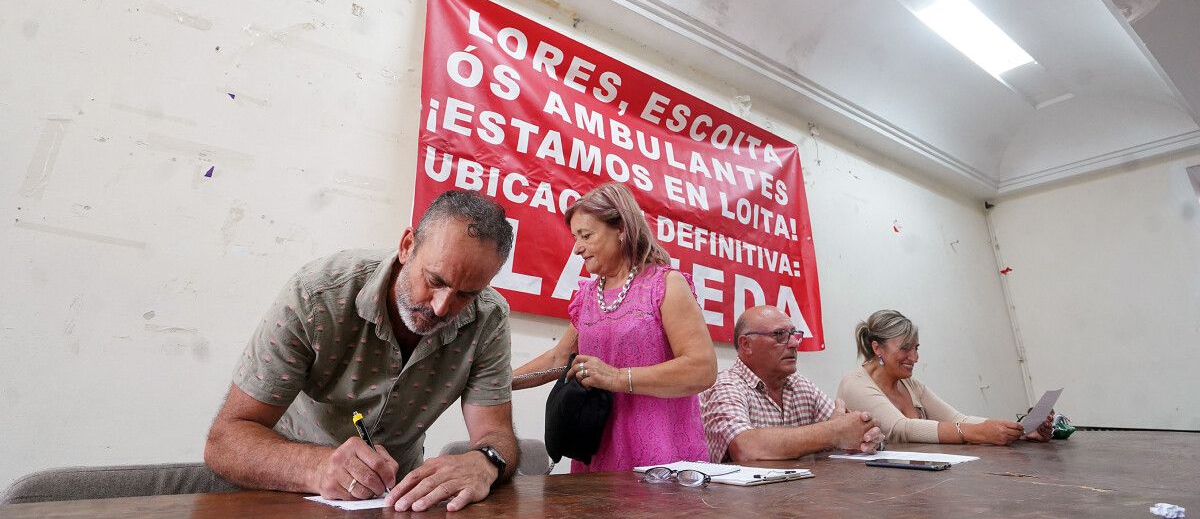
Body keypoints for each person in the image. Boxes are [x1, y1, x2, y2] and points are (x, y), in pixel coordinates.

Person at [205, 190, 519, 513]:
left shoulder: (488, 318)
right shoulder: (316, 296)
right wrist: (317, 467)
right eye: (434, 280)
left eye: (465, 295)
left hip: (395, 503)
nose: (441, 307)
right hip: (291, 493)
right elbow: (225, 441)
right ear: (407, 246)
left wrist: (486, 461)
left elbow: (496, 433)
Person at [512, 182, 717, 472]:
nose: (577, 248)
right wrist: (497, 384)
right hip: (599, 452)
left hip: (662, 454)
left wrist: (617, 377)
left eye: (586, 235)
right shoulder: (587, 296)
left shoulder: (665, 284)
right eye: (575, 237)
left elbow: (702, 368)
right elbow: (559, 359)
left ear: (621, 228)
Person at [836, 309, 1053, 445]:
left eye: (916, 348)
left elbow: (959, 419)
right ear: (877, 348)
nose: (915, 357)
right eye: (905, 349)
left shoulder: (911, 386)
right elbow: (900, 429)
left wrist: (1018, 430)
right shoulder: (855, 384)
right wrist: (978, 433)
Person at [700, 306, 884, 462]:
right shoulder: (726, 385)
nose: (795, 343)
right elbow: (745, 448)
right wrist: (834, 432)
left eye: (794, 334)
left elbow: (847, 430)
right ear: (746, 344)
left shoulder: (799, 385)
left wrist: (866, 436)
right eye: (779, 335)